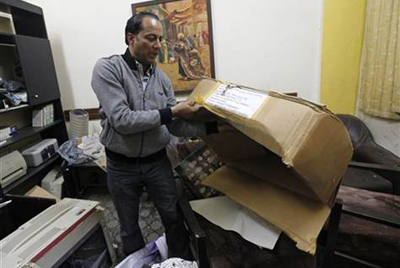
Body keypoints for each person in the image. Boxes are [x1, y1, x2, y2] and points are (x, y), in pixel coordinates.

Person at [91, 12, 218, 259]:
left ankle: (179, 262)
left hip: (157, 162)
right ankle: (135, 262)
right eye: (151, 38)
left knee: (172, 216)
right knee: (128, 224)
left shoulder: (162, 79)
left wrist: (212, 129)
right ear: (130, 38)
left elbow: (175, 127)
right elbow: (122, 120)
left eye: (160, 39)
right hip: (120, 164)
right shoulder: (108, 68)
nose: (158, 46)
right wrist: (170, 111)